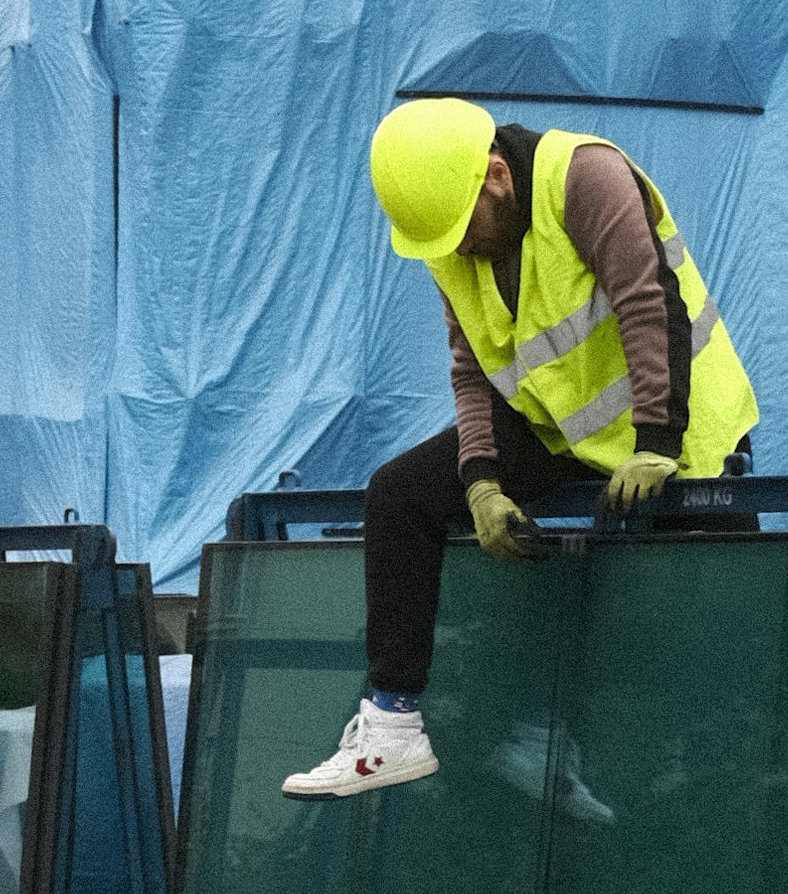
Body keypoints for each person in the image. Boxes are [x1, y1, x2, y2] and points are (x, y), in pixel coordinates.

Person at [282, 94, 757, 801]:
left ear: (498, 176)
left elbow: (647, 301)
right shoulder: (449, 234)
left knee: (706, 617)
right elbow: (471, 368)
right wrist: (479, 480)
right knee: (401, 495)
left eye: (462, 229)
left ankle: (705, 764)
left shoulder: (584, 177)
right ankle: (392, 728)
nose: (457, 249)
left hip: (680, 430)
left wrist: (656, 440)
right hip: (563, 428)